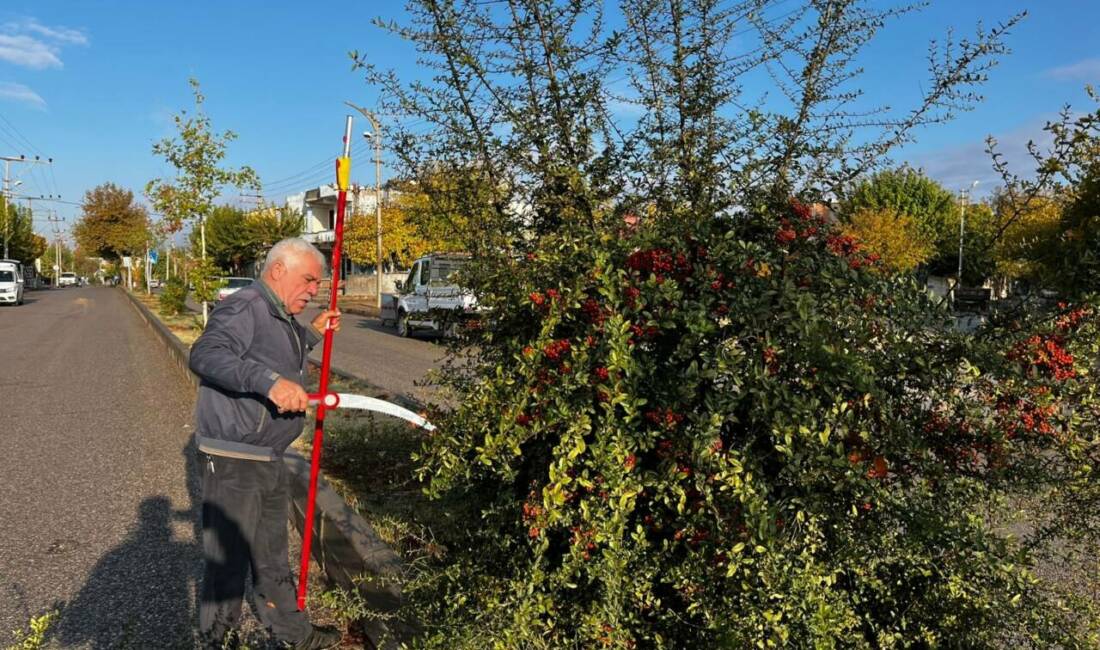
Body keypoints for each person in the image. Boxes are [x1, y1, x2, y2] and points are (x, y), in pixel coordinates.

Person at [189, 237, 343, 650]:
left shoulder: (278, 312)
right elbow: (206, 354)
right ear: (279, 270)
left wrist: (310, 335)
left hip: (268, 454)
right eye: (309, 280)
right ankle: (216, 640)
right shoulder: (246, 305)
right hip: (236, 456)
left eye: (318, 283)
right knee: (228, 562)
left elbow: (270, 354)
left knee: (272, 554)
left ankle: (293, 634)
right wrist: (269, 384)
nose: (314, 290)